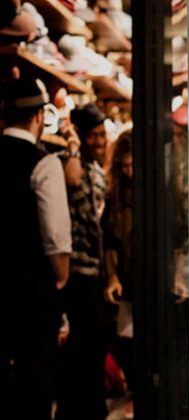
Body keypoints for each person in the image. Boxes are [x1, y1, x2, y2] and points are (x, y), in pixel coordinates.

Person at [0, 78, 72, 420]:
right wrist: (60, 277)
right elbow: (55, 234)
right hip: (31, 291)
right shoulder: (43, 163)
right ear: (40, 117)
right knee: (34, 383)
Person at [57, 103, 109, 420]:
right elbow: (72, 182)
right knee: (79, 348)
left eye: (102, 134)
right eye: (93, 135)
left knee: (93, 347)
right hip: (76, 271)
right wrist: (73, 144)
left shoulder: (98, 170)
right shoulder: (67, 162)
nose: (100, 141)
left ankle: (91, 409)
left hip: (95, 271)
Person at [101, 130, 134, 418]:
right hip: (127, 280)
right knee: (126, 343)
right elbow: (110, 240)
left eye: (132, 165)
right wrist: (112, 277)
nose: (128, 171)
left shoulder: (159, 191)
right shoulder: (117, 196)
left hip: (152, 280)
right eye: (123, 166)